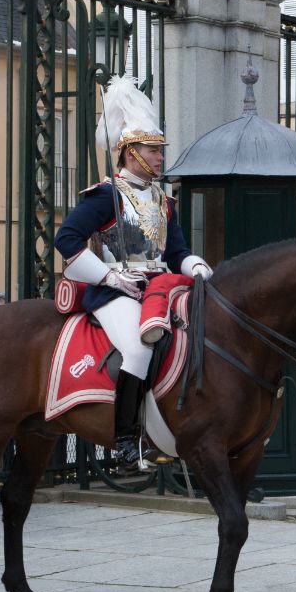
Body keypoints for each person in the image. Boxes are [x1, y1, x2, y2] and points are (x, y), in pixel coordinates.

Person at [53, 76, 212, 469]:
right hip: (114, 290)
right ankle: (126, 441)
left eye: (160, 151)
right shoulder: (105, 196)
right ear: (129, 152)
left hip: (159, 286)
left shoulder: (164, 201)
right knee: (140, 347)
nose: (160, 158)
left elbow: (177, 253)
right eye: (153, 151)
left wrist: (200, 268)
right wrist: (108, 277)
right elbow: (67, 238)